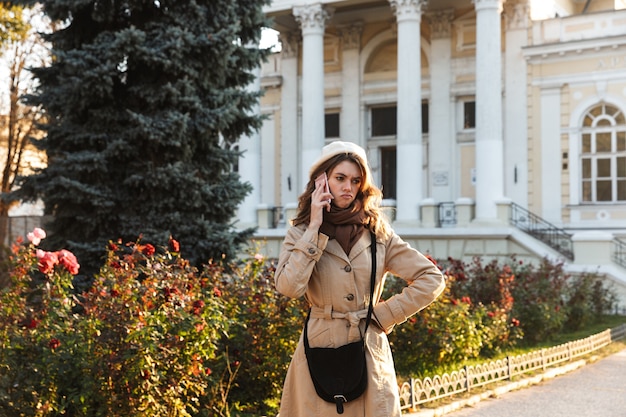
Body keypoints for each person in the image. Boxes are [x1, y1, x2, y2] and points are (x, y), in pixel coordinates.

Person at [274, 141, 446, 417]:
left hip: (368, 349)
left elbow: (431, 278)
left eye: (355, 181)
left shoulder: (378, 233)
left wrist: (384, 315)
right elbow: (288, 287)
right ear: (322, 180)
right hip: (319, 350)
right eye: (340, 178)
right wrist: (315, 228)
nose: (347, 187)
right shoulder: (301, 232)